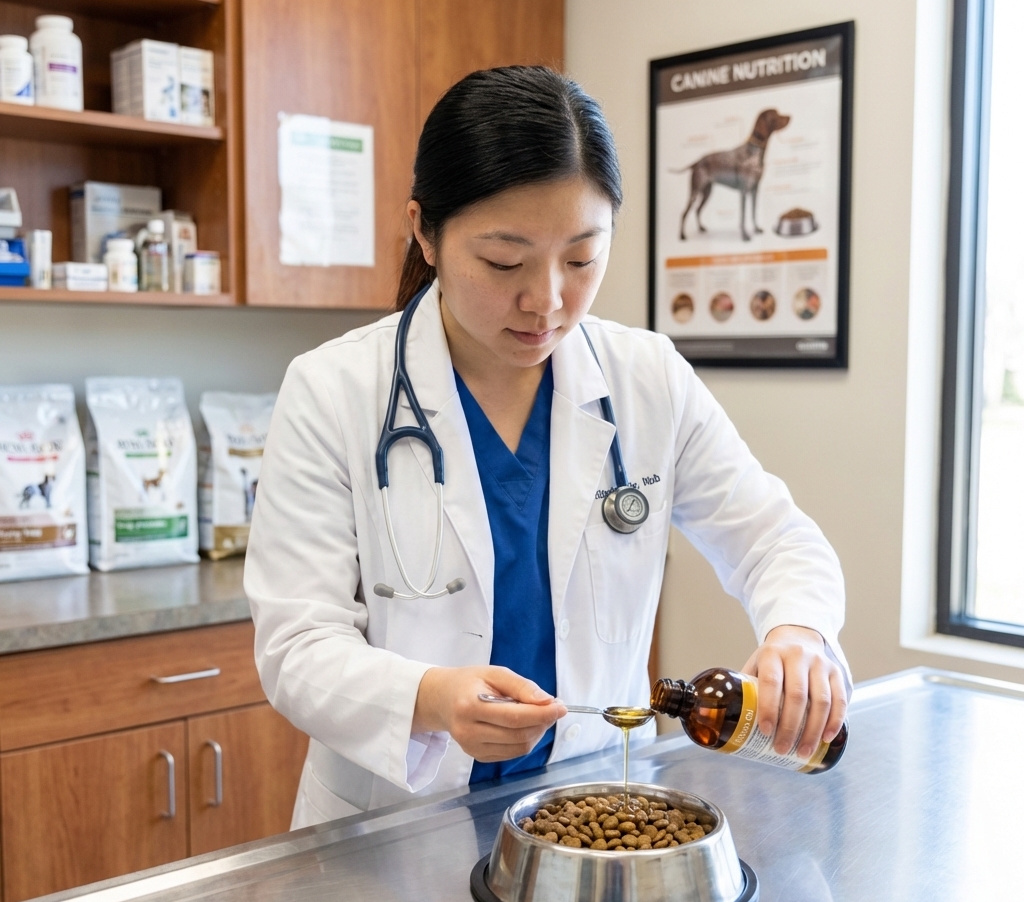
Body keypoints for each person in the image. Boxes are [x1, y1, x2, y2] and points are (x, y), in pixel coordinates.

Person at [244, 66, 851, 828]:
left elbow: (774, 539)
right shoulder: (334, 391)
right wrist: (428, 698)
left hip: (590, 813)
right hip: (393, 828)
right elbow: (297, 647)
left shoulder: (647, 378)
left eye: (581, 258)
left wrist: (799, 631)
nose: (547, 301)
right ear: (424, 233)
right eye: (505, 262)